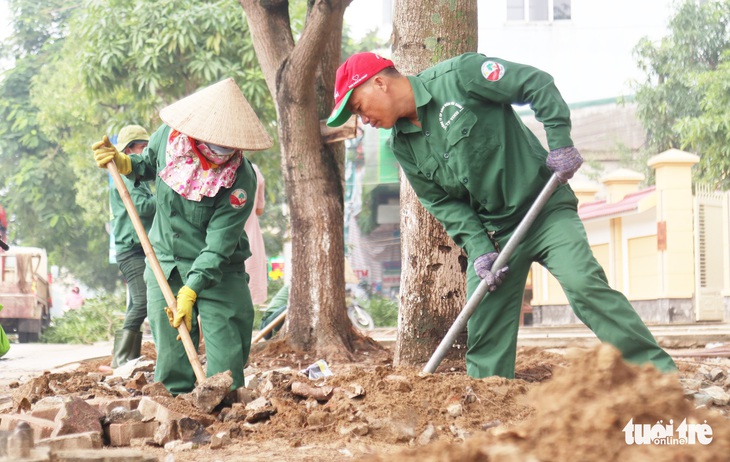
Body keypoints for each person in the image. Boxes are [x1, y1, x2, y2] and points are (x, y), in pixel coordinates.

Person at [327, 52, 677, 378]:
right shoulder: (402, 146)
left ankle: (660, 377)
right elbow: (443, 204)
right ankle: (490, 406)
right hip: (496, 235)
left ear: (379, 83)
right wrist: (480, 248)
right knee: (484, 326)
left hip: (544, 211)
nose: (364, 121)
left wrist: (560, 142)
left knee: (585, 286)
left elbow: (535, 83)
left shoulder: (460, 77)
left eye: (358, 107)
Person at [92, 78, 273, 394]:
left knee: (226, 365)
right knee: (173, 356)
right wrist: (124, 163)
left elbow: (218, 244)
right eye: (214, 142)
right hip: (166, 262)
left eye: (229, 145)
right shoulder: (167, 139)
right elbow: (148, 165)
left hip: (219, 270)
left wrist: (192, 290)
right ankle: (176, 411)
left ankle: (224, 416)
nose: (221, 151)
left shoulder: (240, 178)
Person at [108, 125, 155, 368]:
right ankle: (122, 360)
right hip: (132, 249)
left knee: (137, 302)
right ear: (129, 151)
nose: (147, 154)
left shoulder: (137, 178)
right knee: (142, 302)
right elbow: (144, 208)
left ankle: (128, 359)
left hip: (138, 248)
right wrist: (170, 197)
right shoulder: (127, 176)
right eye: (143, 148)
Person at [244, 163, 267, 306]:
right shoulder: (253, 170)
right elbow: (259, 210)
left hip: (216, 243)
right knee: (245, 301)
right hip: (249, 241)